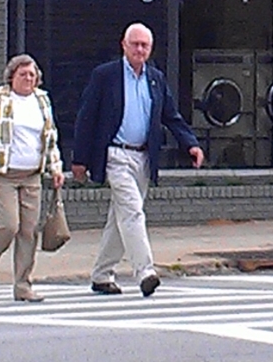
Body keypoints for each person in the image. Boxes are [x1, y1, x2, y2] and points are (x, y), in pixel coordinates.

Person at [72, 22, 204, 298]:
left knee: (120, 219)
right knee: (132, 211)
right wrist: (80, 159)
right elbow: (86, 117)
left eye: (145, 45)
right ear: (124, 45)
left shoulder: (155, 79)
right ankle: (145, 272)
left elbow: (171, 115)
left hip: (143, 156)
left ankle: (101, 275)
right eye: (135, 44)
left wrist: (190, 144)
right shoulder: (105, 76)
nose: (140, 50)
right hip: (115, 154)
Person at [0, 54, 64, 302]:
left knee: (29, 231)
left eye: (32, 75)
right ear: (11, 77)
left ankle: (23, 286)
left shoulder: (42, 100)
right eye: (23, 74)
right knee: (7, 226)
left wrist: (56, 168)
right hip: (0, 174)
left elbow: (50, 137)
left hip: (31, 176)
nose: (28, 79)